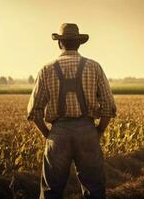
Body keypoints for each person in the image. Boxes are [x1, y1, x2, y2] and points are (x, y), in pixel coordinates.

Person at [27, 23, 116, 199]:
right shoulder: (94, 67)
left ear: (60, 43)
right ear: (80, 43)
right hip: (87, 132)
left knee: (51, 191)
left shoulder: (46, 69)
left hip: (58, 134)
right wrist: (98, 131)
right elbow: (108, 106)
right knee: (95, 190)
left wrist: (49, 135)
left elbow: (33, 112)